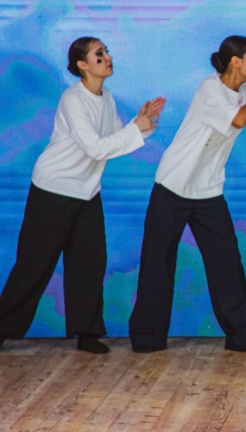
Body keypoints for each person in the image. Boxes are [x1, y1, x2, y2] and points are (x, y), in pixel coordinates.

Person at [0, 37, 164, 354]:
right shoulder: (72, 100)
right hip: (54, 189)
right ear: (82, 65)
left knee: (89, 262)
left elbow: (115, 140)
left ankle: (87, 332)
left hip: (87, 191)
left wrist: (140, 123)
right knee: (34, 265)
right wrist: (135, 128)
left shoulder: (107, 97)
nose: (107, 57)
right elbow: (95, 148)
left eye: (107, 52)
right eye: (99, 54)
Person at [129, 35, 246, 354]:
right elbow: (238, 119)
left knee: (227, 262)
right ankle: (147, 338)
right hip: (173, 185)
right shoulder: (210, 89)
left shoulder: (245, 93)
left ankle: (240, 336)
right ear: (235, 62)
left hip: (208, 190)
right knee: (158, 262)